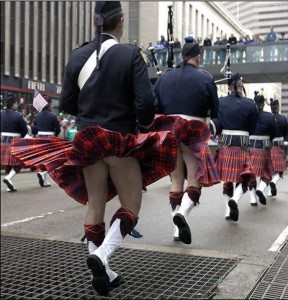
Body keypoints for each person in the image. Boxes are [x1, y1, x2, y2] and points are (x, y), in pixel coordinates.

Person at [10, 1, 176, 296]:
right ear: (121, 22)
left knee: (95, 205)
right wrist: (146, 127)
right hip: (119, 141)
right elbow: (146, 105)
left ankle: (105, 271)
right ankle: (102, 255)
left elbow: (70, 103)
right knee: (131, 206)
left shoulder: (76, 56)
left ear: (95, 24)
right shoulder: (130, 54)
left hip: (87, 142)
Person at [153, 40, 220, 245]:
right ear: (198, 57)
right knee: (194, 180)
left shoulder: (164, 77)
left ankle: (176, 229)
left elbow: (155, 104)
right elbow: (215, 111)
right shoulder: (205, 78)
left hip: (169, 130)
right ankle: (182, 214)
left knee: (175, 181)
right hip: (193, 131)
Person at [210, 73, 258, 222]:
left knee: (227, 180)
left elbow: (216, 123)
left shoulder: (221, 102)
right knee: (246, 177)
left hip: (225, 142)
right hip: (242, 142)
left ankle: (227, 210)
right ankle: (235, 200)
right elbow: (253, 127)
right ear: (240, 84)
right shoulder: (250, 104)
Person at [248, 92, 277, 206]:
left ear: (254, 103)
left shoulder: (249, 115)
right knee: (267, 172)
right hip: (264, 147)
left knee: (250, 173)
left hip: (249, 146)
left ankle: (253, 199)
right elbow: (274, 133)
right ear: (263, 105)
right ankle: (261, 188)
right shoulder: (269, 116)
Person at [32, 95, 61, 187]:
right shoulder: (53, 115)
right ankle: (42, 174)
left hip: (40, 137)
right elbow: (58, 128)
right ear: (48, 104)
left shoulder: (37, 115)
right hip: (50, 137)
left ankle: (44, 181)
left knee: (43, 158)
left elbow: (33, 128)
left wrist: (38, 133)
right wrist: (55, 135)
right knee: (50, 159)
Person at [1, 95, 28, 192]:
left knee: (8, 164)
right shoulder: (18, 115)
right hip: (14, 142)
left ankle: (9, 186)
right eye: (16, 103)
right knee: (19, 162)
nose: (17, 105)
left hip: (3, 141)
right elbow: (24, 132)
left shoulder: (1, 114)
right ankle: (9, 178)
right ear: (13, 104)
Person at [267, 100, 288, 197]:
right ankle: (274, 182)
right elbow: (286, 134)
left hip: (270, 146)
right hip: (280, 146)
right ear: (278, 107)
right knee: (280, 169)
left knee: (270, 170)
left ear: (271, 108)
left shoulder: (268, 118)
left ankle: (269, 191)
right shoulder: (283, 118)